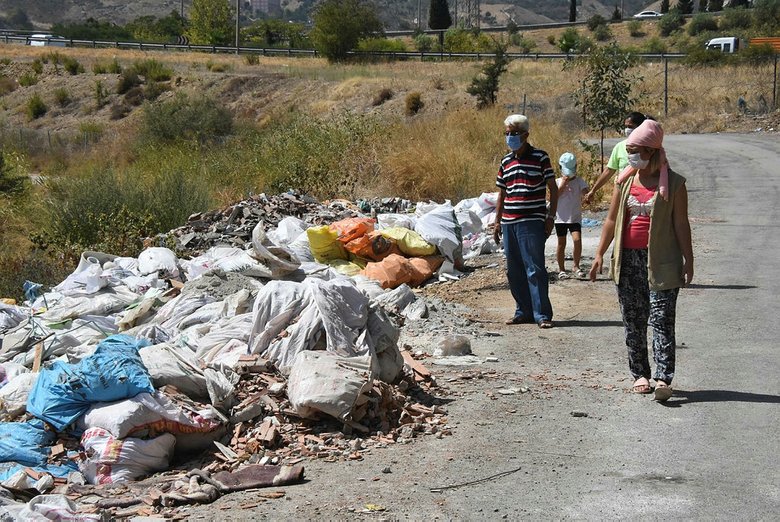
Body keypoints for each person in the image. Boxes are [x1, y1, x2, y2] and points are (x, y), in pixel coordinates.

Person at [588, 119, 694, 402]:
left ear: (651, 151)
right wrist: (599, 254)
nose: (631, 155)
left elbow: (681, 224)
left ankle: (663, 378)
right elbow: (611, 220)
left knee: (662, 320)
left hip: (662, 262)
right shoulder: (624, 181)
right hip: (628, 260)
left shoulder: (675, 184)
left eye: (635, 150)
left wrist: (689, 259)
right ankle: (640, 374)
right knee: (634, 320)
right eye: (629, 150)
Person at [492, 114, 559, 329]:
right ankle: (523, 311)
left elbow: (553, 188)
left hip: (531, 221)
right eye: (507, 133)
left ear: (526, 135)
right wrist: (497, 221)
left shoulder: (540, 157)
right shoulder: (506, 161)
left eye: (514, 133)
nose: (510, 137)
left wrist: (550, 217)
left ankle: (542, 314)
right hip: (509, 222)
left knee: (534, 269)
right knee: (514, 271)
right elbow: (502, 193)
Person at [584, 112, 652, 205]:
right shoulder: (619, 147)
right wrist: (593, 190)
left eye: (630, 127)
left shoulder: (650, 149)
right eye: (626, 126)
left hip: (645, 195)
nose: (627, 130)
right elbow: (609, 171)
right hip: (623, 193)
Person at [554, 152, 589, 280]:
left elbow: (586, 193)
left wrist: (588, 196)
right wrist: (562, 185)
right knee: (561, 243)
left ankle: (576, 265)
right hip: (560, 219)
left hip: (574, 217)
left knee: (577, 240)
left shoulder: (579, 181)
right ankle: (561, 269)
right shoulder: (557, 182)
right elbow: (553, 197)